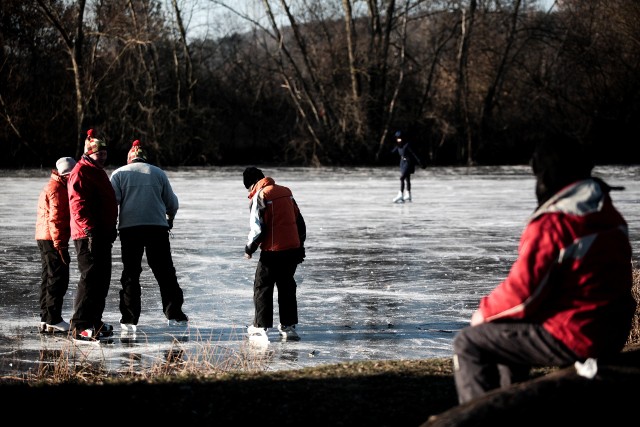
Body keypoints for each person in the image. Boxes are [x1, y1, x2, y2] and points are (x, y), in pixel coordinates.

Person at [452, 135, 635, 404]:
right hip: (612, 328)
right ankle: (509, 406)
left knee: (469, 343)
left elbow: (523, 295)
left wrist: (485, 313)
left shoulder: (556, 223)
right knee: (506, 331)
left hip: (578, 333)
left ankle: (479, 418)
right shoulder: (607, 213)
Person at [110, 139, 188, 334]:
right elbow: (172, 203)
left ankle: (129, 319)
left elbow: (113, 201)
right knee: (165, 273)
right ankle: (175, 315)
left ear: (129, 159)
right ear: (145, 158)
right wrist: (169, 219)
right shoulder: (157, 173)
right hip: (157, 228)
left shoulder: (119, 174)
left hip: (130, 230)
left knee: (131, 273)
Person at [242, 167, 306, 341]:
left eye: (248, 188)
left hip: (272, 250)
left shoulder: (260, 196)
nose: (249, 191)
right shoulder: (286, 192)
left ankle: (260, 327)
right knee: (286, 286)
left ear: (252, 183)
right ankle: (288, 327)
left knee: (262, 286)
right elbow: (299, 220)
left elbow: (258, 228)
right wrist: (300, 245)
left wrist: (249, 249)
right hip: (292, 248)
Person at [67, 129, 118, 341]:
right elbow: (77, 204)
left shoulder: (97, 170)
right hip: (88, 236)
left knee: (102, 279)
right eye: (99, 153)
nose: (103, 156)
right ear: (89, 153)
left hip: (103, 234)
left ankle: (95, 321)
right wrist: (89, 229)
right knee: (90, 279)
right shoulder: (81, 171)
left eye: (105, 153)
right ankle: (80, 325)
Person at [35, 156, 77, 333]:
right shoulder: (57, 189)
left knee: (49, 276)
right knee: (57, 277)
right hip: (53, 239)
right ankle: (53, 318)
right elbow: (56, 220)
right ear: (67, 174)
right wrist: (61, 246)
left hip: (44, 237)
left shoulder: (53, 185)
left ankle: (46, 317)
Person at [391, 130, 424, 203]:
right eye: (397, 138)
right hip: (402, 163)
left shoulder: (407, 145)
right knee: (407, 178)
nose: (399, 140)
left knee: (402, 178)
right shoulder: (398, 146)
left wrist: (420, 162)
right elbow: (392, 152)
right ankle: (408, 194)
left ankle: (400, 195)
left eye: (400, 138)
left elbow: (415, 154)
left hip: (409, 163)